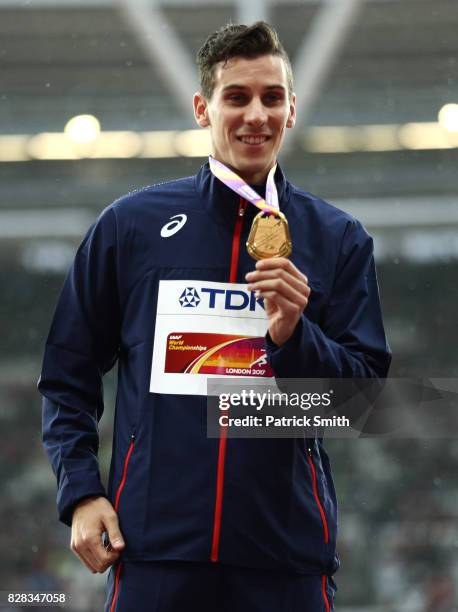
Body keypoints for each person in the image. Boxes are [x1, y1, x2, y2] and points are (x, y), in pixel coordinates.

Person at [39, 22, 391, 612]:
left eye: (272, 97)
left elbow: (360, 406)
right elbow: (66, 376)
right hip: (156, 554)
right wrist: (80, 493)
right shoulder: (131, 227)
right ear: (203, 108)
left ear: (292, 109)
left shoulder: (337, 239)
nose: (257, 114)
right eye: (237, 97)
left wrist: (292, 336)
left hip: (285, 559)